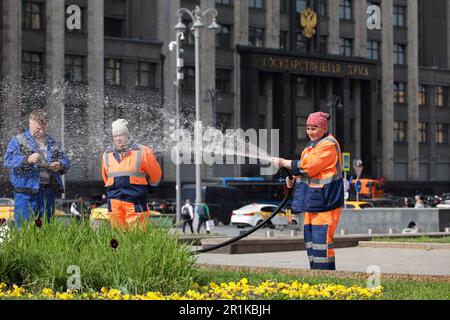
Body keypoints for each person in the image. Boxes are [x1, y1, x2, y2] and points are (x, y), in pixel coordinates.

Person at [272, 111, 343, 270]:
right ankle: (316, 273)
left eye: (314, 128)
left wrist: (284, 162)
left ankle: (325, 276)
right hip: (313, 200)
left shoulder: (328, 144)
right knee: (311, 241)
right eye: (308, 128)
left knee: (321, 241)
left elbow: (308, 167)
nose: (310, 132)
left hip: (325, 201)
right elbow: (305, 171)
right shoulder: (311, 146)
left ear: (324, 128)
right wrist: (292, 179)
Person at [4, 110, 70, 228]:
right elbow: (7, 159)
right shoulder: (18, 140)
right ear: (30, 123)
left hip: (47, 193)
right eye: (38, 128)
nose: (42, 132)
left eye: (44, 128)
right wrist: (27, 159)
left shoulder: (52, 142)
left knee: (45, 229)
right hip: (25, 193)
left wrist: (60, 165)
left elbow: (66, 162)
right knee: (24, 229)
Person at [102, 119, 162, 229]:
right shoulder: (107, 154)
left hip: (135, 200)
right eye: (115, 136)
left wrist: (151, 187)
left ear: (127, 135)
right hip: (114, 201)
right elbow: (106, 178)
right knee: (117, 236)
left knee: (137, 236)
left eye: (121, 135)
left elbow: (156, 174)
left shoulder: (143, 151)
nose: (118, 139)